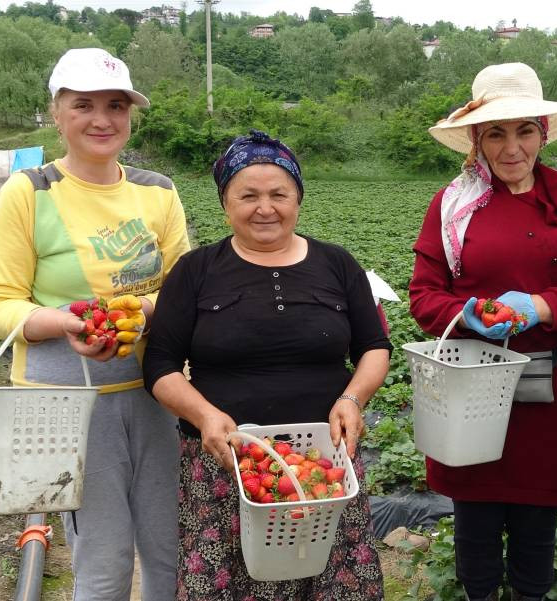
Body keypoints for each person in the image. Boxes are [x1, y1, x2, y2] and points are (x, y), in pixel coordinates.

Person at [0, 47, 191, 600]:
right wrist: (63, 321)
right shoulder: (28, 192)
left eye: (116, 105)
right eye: (84, 105)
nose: (102, 119)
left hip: (156, 396)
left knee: (173, 552)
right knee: (103, 558)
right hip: (66, 405)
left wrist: (140, 311)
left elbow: (181, 292)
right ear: (57, 112)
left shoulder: (159, 190)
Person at [142, 129, 391, 601]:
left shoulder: (337, 264)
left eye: (280, 194)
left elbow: (374, 346)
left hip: (324, 466)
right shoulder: (196, 271)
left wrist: (352, 398)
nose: (265, 207)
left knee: (330, 577)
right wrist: (204, 416)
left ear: (298, 198)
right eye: (248, 195)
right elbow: (161, 364)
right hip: (225, 463)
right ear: (225, 202)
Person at [408, 62, 557, 601]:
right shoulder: (453, 208)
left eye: (524, 130)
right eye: (495, 132)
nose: (511, 147)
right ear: (477, 139)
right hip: (471, 390)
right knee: (473, 519)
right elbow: (424, 295)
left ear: (542, 134)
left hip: (549, 394)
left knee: (536, 524)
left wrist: (542, 306)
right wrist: (466, 312)